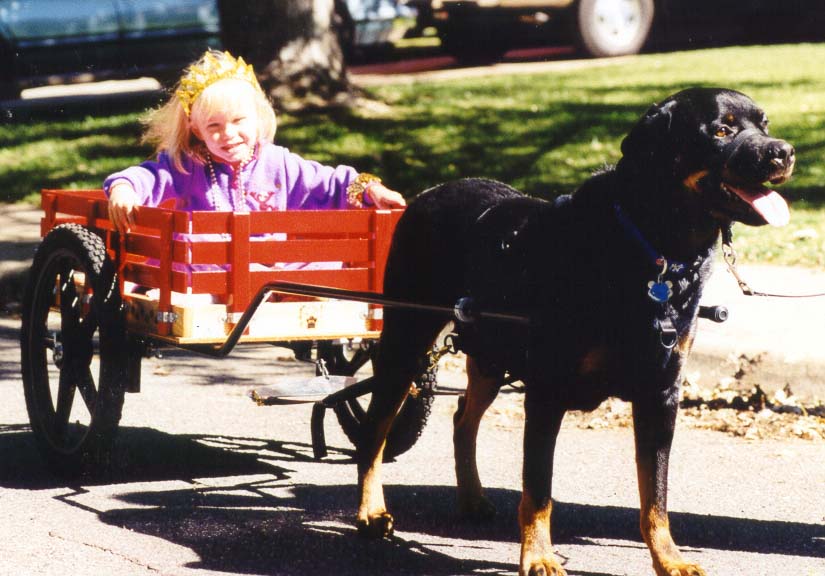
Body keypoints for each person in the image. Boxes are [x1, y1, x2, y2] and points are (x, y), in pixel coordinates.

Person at [104, 49, 405, 233]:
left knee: (318, 273)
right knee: (195, 293)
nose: (229, 134)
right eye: (215, 126)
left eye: (238, 121)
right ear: (197, 130)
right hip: (209, 269)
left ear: (258, 117)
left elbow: (331, 183)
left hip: (270, 272)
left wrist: (372, 189)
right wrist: (124, 189)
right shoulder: (187, 166)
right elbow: (148, 176)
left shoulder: (278, 163)